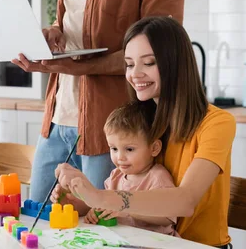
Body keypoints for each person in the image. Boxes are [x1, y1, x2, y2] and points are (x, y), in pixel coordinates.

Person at [12, 0, 184, 204]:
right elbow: (75, 25)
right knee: (39, 223)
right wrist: (54, 33)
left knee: (100, 230)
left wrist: (69, 67)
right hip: (59, 116)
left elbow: (159, 54)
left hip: (114, 127)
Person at [52, 16, 237, 249]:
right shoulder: (142, 121)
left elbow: (185, 200)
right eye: (129, 64)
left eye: (148, 63)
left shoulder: (217, 123)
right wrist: (79, 199)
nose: (135, 74)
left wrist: (100, 197)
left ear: (175, 64)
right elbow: (126, 201)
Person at [63, 101, 180, 237]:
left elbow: (167, 217)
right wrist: (95, 211)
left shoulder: (158, 178)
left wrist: (126, 209)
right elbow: (105, 204)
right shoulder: (115, 175)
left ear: (154, 148)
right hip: (122, 240)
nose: (120, 157)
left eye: (129, 149)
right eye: (114, 149)